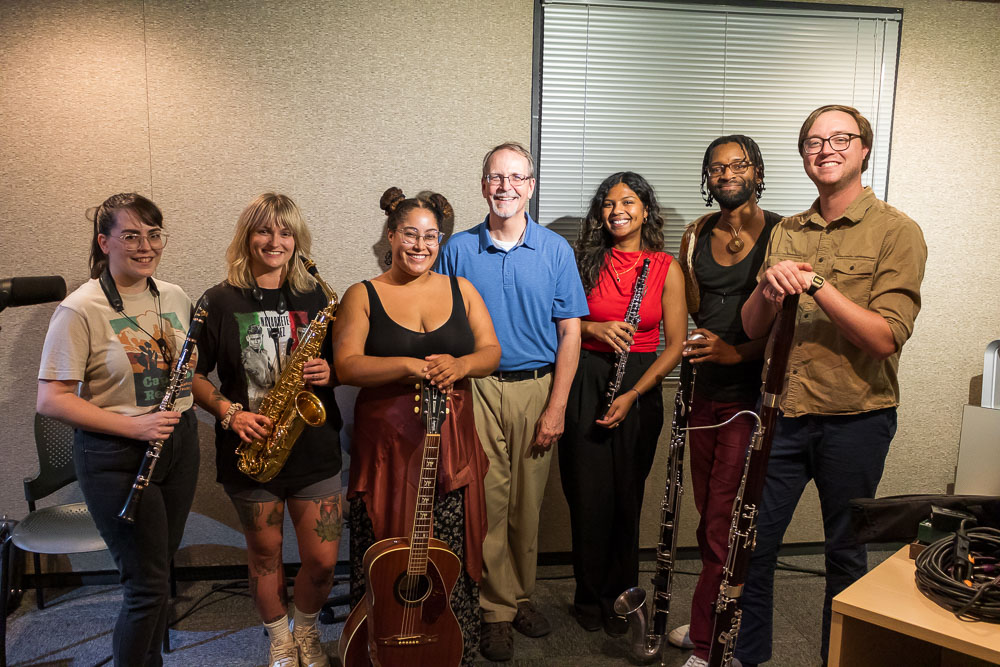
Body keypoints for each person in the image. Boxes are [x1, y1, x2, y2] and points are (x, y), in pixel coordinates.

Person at [735, 105, 927, 666]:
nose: (827, 149)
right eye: (814, 141)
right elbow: (752, 328)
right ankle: (748, 658)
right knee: (755, 550)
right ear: (803, 156)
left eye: (841, 138)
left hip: (856, 419)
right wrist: (769, 290)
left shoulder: (897, 231)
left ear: (864, 149)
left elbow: (886, 337)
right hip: (783, 415)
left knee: (845, 554)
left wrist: (816, 284)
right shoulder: (786, 231)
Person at [333, 187, 500, 666]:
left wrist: (462, 364)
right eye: (410, 234)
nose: (421, 245)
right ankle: (382, 649)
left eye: (431, 236)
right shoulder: (363, 294)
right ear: (391, 236)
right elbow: (347, 366)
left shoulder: (460, 289)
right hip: (389, 447)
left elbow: (491, 352)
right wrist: (409, 364)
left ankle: (449, 647)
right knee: (388, 547)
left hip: (450, 442)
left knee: (446, 550)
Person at [437, 141, 589, 662]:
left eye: (516, 178)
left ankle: (518, 595)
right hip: (477, 388)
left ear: (531, 186)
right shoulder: (457, 249)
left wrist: (556, 406)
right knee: (490, 501)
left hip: (537, 389)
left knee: (528, 504)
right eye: (496, 177)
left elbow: (571, 333)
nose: (506, 187)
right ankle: (496, 609)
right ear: (483, 185)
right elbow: (441, 323)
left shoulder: (555, 251)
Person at [37, 193, 198, 666]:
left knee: (159, 572)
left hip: (178, 444)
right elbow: (52, 399)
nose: (145, 245)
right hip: (116, 455)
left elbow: (187, 375)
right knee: (146, 587)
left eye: (153, 234)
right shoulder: (79, 308)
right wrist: (135, 427)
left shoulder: (175, 296)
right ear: (104, 242)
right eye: (131, 235)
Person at [192, 193, 342, 667]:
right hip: (251, 448)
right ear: (247, 236)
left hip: (314, 446)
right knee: (264, 555)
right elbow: (191, 376)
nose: (275, 241)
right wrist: (230, 413)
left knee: (321, 561)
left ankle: (307, 630)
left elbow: (349, 361)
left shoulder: (318, 297)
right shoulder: (217, 300)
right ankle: (279, 637)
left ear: (297, 239)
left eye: (285, 232)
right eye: (264, 230)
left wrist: (331, 373)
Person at [670, 136, 781, 667]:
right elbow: (690, 307)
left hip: (750, 396)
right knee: (705, 516)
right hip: (702, 394)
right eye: (716, 168)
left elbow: (789, 323)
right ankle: (712, 614)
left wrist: (736, 355)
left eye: (738, 165)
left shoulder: (783, 232)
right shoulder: (695, 235)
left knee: (724, 520)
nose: (726, 174)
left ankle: (707, 646)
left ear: (758, 172)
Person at [559, 171, 687, 634]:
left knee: (625, 497)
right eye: (609, 203)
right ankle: (588, 598)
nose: (618, 211)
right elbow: (563, 320)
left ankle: (622, 599)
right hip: (585, 378)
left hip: (639, 385)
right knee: (585, 495)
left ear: (645, 210)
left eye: (628, 202)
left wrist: (634, 393)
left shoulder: (665, 267)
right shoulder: (582, 261)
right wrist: (594, 329)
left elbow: (674, 345)